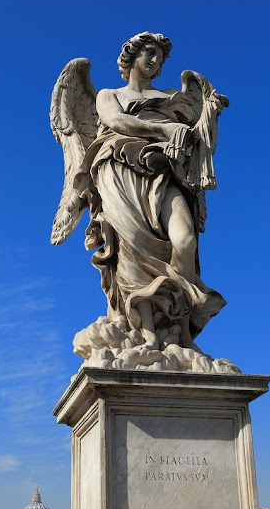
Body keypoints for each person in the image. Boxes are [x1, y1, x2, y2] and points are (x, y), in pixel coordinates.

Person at [72, 32, 226, 353]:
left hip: (164, 172)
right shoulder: (109, 95)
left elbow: (195, 140)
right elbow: (116, 121)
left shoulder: (172, 97)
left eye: (161, 57)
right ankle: (148, 333)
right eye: (150, 53)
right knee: (132, 249)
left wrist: (209, 115)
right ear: (132, 54)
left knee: (185, 241)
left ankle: (181, 330)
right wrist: (164, 129)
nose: (156, 61)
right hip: (119, 168)